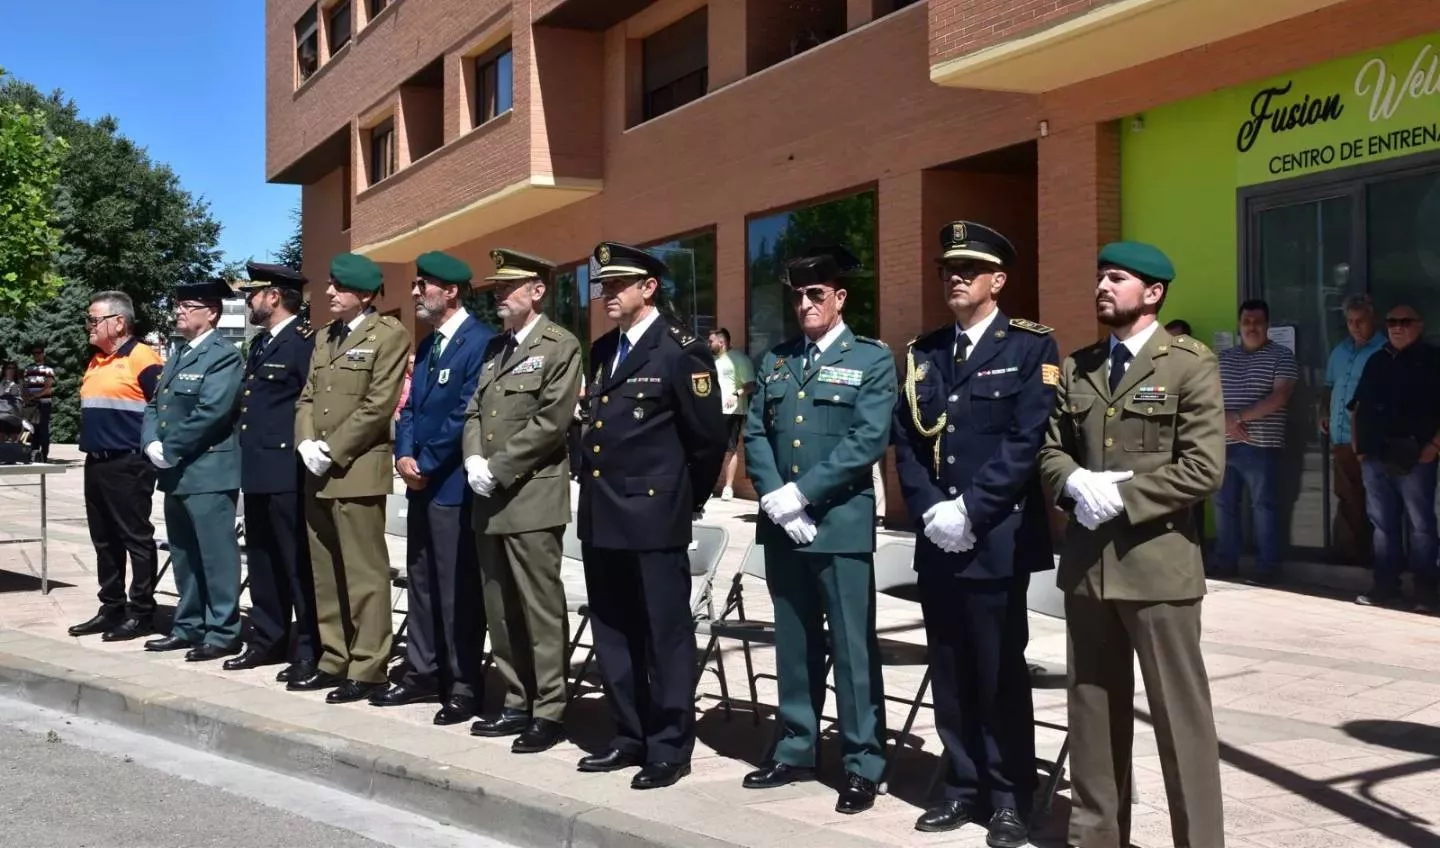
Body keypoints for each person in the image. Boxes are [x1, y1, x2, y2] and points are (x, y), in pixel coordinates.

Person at [1037, 241, 1226, 848]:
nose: (1101, 286)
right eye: (1099, 276)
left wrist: (1124, 496)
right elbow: (1049, 449)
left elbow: (1204, 468)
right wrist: (1073, 482)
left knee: (1180, 722)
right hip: (1089, 569)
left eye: (1116, 277)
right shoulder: (1078, 365)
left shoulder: (1189, 364)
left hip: (1159, 569)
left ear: (1153, 293)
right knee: (1093, 716)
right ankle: (1094, 838)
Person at [891, 222, 1058, 844]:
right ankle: (962, 786)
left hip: (995, 538)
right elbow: (906, 441)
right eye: (948, 269)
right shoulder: (924, 352)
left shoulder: (1031, 347)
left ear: (999, 280)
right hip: (939, 537)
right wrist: (933, 509)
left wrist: (971, 510)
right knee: (951, 667)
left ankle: (1010, 795)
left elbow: (1026, 439)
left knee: (998, 672)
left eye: (969, 268)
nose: (955, 277)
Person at [741, 244, 894, 815]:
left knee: (853, 651)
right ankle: (797, 746)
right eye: (798, 295)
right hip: (784, 525)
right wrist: (777, 497)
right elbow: (756, 432)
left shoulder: (872, 358)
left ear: (839, 298)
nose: (805, 304)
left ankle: (862, 763)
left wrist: (803, 494)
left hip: (840, 526)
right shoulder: (778, 360)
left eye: (816, 294)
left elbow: (867, 440)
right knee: (795, 642)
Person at [575, 241, 725, 789]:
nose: (607, 294)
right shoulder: (602, 350)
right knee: (613, 630)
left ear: (648, 288)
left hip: (654, 515)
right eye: (604, 285)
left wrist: (684, 502)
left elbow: (708, 440)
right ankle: (629, 735)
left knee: (664, 634)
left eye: (618, 285)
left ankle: (668, 745)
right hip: (603, 512)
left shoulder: (680, 349)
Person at [463, 248, 581, 751]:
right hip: (489, 497)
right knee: (500, 608)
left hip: (530, 495)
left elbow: (552, 421)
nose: (499, 298)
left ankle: (550, 709)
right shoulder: (496, 348)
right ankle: (516, 699)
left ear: (537, 291)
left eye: (507, 289)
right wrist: (473, 459)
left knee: (539, 608)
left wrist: (498, 466)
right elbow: (474, 413)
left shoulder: (560, 346)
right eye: (494, 291)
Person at [373, 251, 493, 723]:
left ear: (452, 291)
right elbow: (410, 408)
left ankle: (463, 684)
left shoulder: (479, 342)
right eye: (418, 284)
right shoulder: (427, 346)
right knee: (421, 581)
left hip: (452, 486)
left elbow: (466, 412)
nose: (417, 292)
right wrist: (404, 454)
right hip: (420, 482)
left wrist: (423, 461)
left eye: (425, 285)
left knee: (457, 590)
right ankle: (421, 673)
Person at [293, 253, 411, 703]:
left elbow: (379, 404)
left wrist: (332, 448)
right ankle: (333, 657)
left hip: (357, 469)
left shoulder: (388, 334)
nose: (328, 293)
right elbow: (307, 398)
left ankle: (368, 665)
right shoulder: (324, 336)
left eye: (338, 287)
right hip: (317, 470)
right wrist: (306, 441)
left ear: (362, 293)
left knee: (364, 574)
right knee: (326, 571)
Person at [140, 280, 245, 661]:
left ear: (211, 312)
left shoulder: (224, 355)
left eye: (188, 306)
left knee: (216, 555)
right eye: (179, 306)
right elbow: (154, 404)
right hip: (176, 471)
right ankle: (188, 626)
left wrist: (170, 448)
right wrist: (151, 443)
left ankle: (222, 631)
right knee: (184, 554)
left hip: (209, 470)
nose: (179, 312)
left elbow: (212, 412)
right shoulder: (180, 353)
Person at [225, 262, 321, 682]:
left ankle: (308, 648)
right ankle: (267, 640)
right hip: (258, 467)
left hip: (288, 469)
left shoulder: (304, 343)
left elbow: (312, 405)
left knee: (296, 561)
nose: (249, 300)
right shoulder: (263, 344)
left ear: (274, 297)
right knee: (262, 559)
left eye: (255, 293)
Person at [68, 292, 166, 642]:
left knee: (135, 538)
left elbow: (163, 411)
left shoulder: (143, 358)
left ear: (119, 322)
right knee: (104, 541)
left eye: (94, 320)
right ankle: (111, 607)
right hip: (96, 461)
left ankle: (141, 613)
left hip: (128, 463)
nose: (89, 326)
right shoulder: (97, 361)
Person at [1348, 303, 1440, 611]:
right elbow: (1357, 406)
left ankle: (1426, 591)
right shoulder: (1376, 360)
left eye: (1404, 321)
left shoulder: (1432, 360)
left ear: (1419, 325)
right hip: (1375, 456)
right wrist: (1358, 449)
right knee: (1383, 524)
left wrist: (1435, 446)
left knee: (1421, 524)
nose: (1397, 326)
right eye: (1391, 321)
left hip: (1416, 456)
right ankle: (1386, 586)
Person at [1212, 299, 1298, 583]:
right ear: (1239, 325)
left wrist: (1237, 417)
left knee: (1264, 506)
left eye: (1258, 321)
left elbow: (1280, 397)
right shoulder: (1223, 359)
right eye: (1247, 321)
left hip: (1262, 447)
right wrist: (1225, 420)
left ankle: (1267, 569)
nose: (1252, 326)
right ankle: (1226, 564)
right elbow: (1206, 398)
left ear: (1267, 325)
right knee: (1224, 505)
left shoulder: (1282, 356)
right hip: (1223, 445)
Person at [1321, 294, 1383, 565]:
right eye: (1350, 322)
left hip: (1371, 440)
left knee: (1376, 503)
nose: (1355, 327)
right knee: (1347, 498)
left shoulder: (1384, 350)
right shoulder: (1339, 351)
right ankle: (1350, 554)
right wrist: (1323, 411)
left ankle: (1374, 556)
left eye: (1361, 321)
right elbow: (1329, 386)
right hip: (1341, 438)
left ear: (1373, 320)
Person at [709, 328, 754, 500]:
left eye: (711, 340)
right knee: (712, 449)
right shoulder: (713, 361)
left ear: (721, 342)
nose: (709, 343)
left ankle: (728, 487)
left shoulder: (739, 359)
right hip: (714, 411)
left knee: (730, 448)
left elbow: (751, 384)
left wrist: (736, 395)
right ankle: (710, 484)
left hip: (733, 411)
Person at [23, 344, 55, 462]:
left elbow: (48, 387)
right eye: (34, 353)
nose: (36, 355)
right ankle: (34, 453)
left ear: (43, 353)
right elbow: (25, 385)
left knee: (43, 429)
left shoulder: (48, 369)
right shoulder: (28, 369)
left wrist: (35, 396)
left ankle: (45, 454)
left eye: (39, 352)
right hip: (31, 404)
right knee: (32, 428)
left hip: (44, 403)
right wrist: (26, 397)